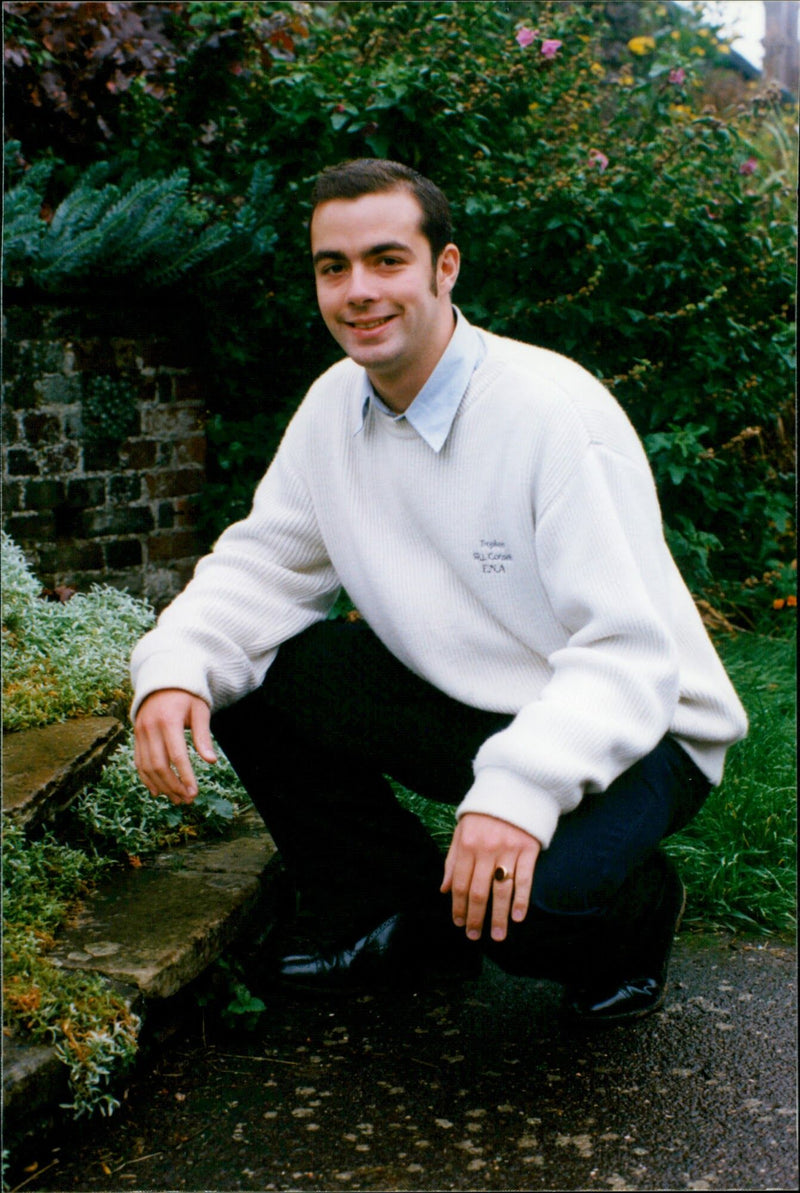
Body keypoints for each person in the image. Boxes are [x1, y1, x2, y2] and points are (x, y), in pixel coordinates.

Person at [132, 159, 747, 1024]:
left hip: (645, 724)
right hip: (479, 698)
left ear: (444, 267)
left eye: (387, 260)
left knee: (519, 917)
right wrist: (175, 667)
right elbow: (262, 570)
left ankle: (639, 912)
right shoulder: (334, 406)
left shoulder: (550, 413)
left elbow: (625, 656)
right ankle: (390, 914)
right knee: (255, 677)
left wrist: (515, 795)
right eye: (334, 266)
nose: (358, 290)